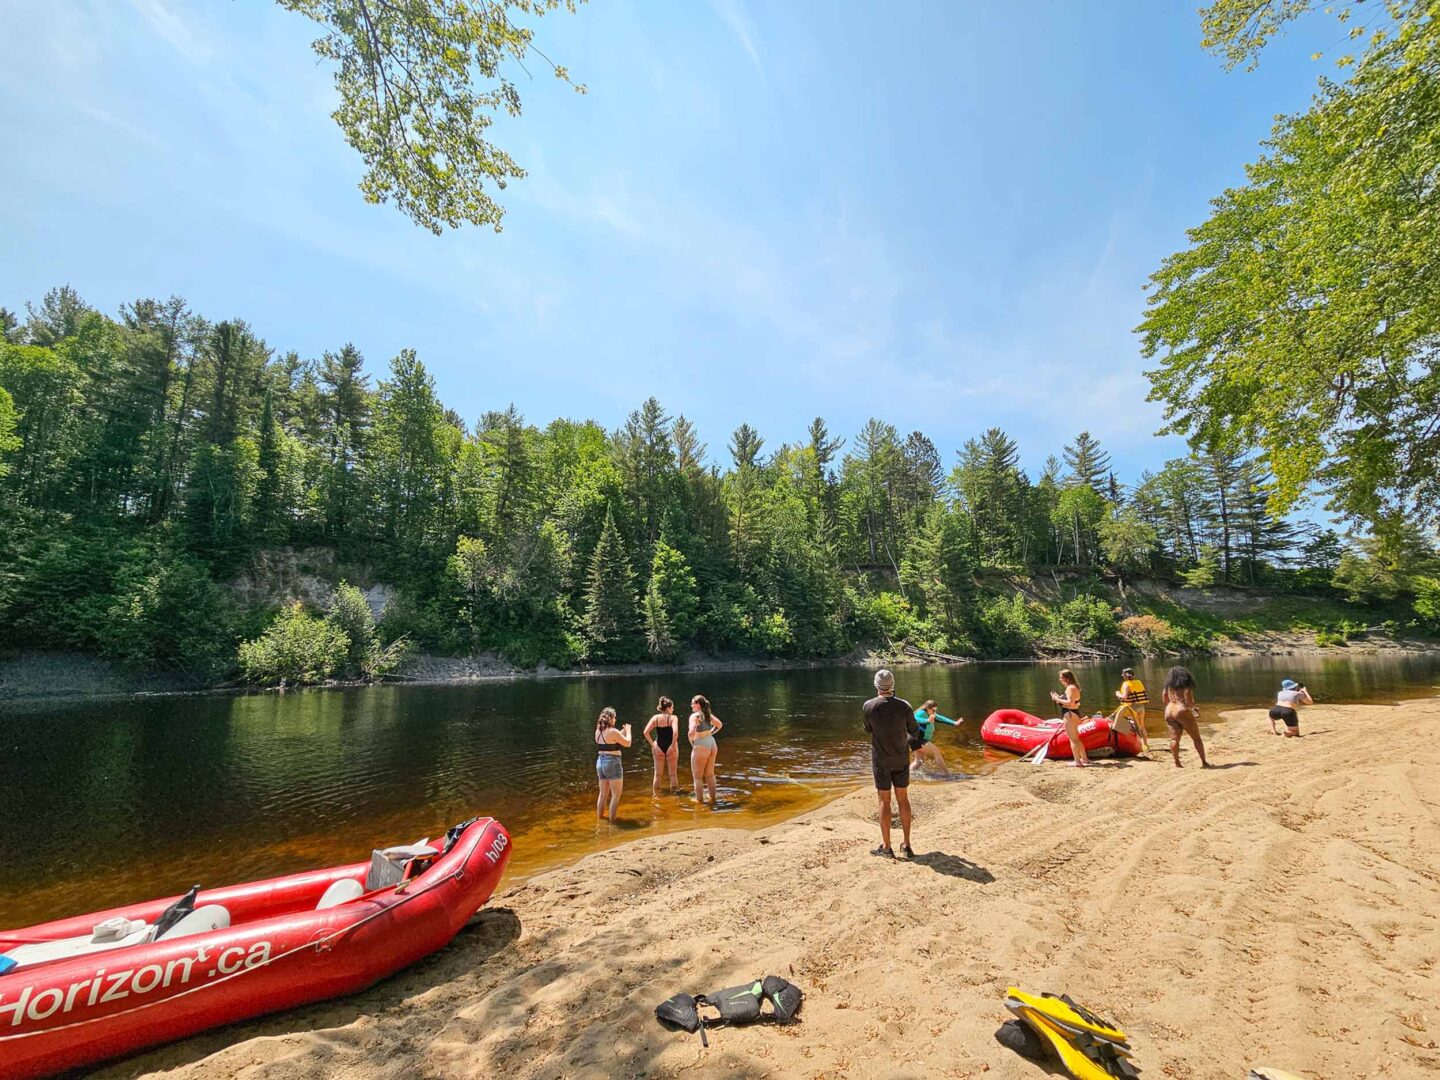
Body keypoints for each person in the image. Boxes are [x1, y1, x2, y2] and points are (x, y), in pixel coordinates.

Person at [863, 669, 920, 859]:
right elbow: (914, 730)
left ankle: (887, 847)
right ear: (892, 685)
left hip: (881, 760)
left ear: (876, 686)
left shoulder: (869, 706)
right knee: (903, 799)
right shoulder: (905, 706)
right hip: (901, 758)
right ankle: (907, 844)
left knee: (884, 801)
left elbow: (867, 729)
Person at [1161, 666, 1211, 768]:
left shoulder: (1168, 687)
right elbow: (1189, 702)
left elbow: (1164, 700)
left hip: (1169, 711)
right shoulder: (1186, 686)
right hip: (1182, 711)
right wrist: (1194, 708)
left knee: (1174, 739)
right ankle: (1204, 762)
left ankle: (1177, 763)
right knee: (1197, 738)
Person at [594, 707, 632, 822]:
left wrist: (622, 732)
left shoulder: (598, 731)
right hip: (612, 762)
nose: (615, 720)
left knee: (603, 794)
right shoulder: (612, 731)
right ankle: (612, 822)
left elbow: (611, 741)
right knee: (615, 795)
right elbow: (627, 743)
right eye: (615, 717)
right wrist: (628, 731)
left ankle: (599, 820)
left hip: (600, 761)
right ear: (611, 718)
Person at [1049, 669, 1091, 768]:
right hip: (1073, 713)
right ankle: (1084, 759)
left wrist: (1056, 698)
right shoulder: (1073, 687)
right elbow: (1070, 701)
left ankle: (1077, 761)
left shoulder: (1070, 688)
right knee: (1076, 738)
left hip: (1070, 714)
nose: (1060, 680)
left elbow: (1070, 703)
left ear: (1066, 678)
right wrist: (1058, 698)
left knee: (1073, 739)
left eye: (1061, 678)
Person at [688, 694, 724, 806]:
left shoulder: (694, 716)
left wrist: (691, 741)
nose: (691, 705)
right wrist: (710, 733)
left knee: (697, 777)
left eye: (692, 703)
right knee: (710, 775)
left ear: (698, 704)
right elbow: (719, 725)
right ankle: (713, 799)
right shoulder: (707, 714)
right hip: (712, 743)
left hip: (701, 744)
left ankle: (699, 803)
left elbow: (691, 731)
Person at [911, 699, 962, 774]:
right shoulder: (921, 713)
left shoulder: (931, 714)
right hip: (918, 740)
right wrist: (927, 721)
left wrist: (955, 723)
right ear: (927, 708)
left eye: (935, 710)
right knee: (936, 751)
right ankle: (946, 774)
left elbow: (942, 718)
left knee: (918, 762)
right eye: (933, 710)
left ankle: (908, 775)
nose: (934, 712)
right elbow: (914, 719)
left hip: (918, 740)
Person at [643, 696, 681, 795]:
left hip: (658, 745)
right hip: (670, 746)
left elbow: (645, 733)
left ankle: (656, 796)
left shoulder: (655, 718)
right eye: (672, 707)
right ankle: (675, 796)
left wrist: (653, 745)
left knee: (657, 775)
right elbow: (675, 733)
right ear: (668, 708)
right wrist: (672, 746)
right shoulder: (673, 718)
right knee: (673, 775)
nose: (673, 709)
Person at [1114, 667, 1149, 743]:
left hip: (1132, 707)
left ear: (1125, 676)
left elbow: (1125, 697)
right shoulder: (1139, 682)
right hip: (1140, 706)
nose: (1123, 677)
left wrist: (1118, 694)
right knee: (1142, 726)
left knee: (1127, 722)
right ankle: (1145, 744)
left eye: (1123, 675)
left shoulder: (1126, 685)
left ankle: (1135, 741)